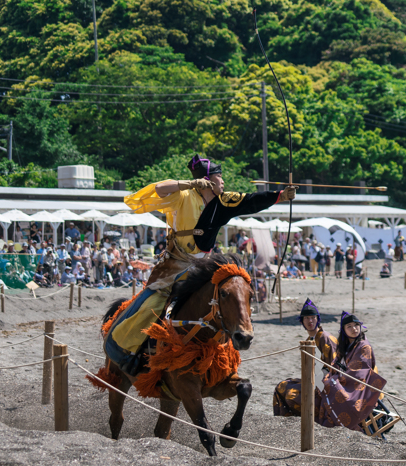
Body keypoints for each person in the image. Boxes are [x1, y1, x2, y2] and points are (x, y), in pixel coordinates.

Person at [105, 155, 297, 376]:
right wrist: (190, 183)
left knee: (224, 295)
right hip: (175, 265)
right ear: (206, 180)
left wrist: (280, 196)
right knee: (154, 303)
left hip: (202, 266)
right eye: (219, 177)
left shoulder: (222, 201)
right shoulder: (184, 195)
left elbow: (250, 200)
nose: (223, 181)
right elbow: (158, 188)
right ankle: (133, 354)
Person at [314, 312, 386, 431]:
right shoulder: (345, 345)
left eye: (356, 325)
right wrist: (330, 374)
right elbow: (335, 363)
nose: (354, 329)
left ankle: (338, 426)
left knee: (329, 388)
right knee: (321, 386)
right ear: (343, 330)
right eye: (349, 326)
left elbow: (358, 373)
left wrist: (336, 379)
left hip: (358, 388)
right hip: (343, 381)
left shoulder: (364, 346)